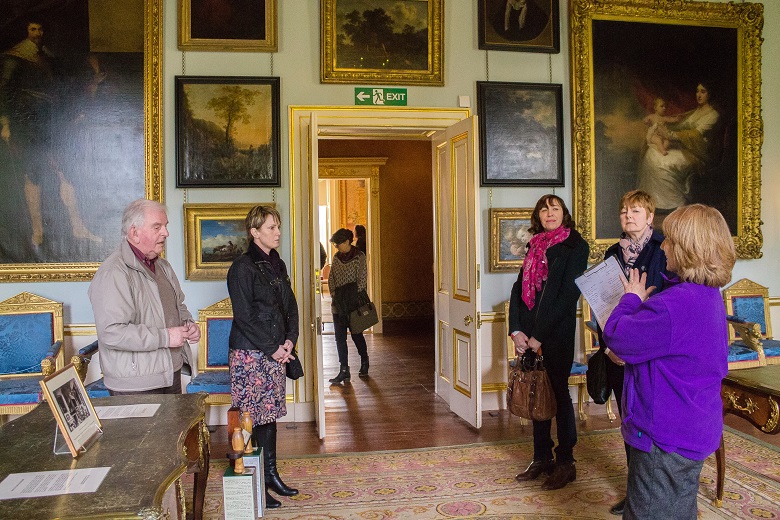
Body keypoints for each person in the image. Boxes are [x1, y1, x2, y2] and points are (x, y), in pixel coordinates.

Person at [602, 204, 735, 520]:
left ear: (688, 249)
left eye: (670, 240)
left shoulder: (677, 304)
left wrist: (631, 298)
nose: (662, 245)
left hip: (666, 436)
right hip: (693, 426)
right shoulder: (706, 294)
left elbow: (617, 335)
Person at [595, 190, 670, 516]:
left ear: (650, 216)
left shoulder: (664, 251)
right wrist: (611, 345)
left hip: (649, 355)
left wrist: (633, 345)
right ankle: (634, 490)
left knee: (650, 425)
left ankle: (658, 491)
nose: (628, 215)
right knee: (628, 425)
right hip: (614, 351)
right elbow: (603, 305)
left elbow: (665, 305)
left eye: (636, 210)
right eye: (624, 210)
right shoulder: (612, 253)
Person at [0, 19, 101, 259]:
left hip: (51, 121)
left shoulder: (48, 57)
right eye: (32, 29)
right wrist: (5, 122)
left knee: (64, 171)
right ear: (25, 32)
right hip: (26, 121)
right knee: (32, 173)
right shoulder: (15, 57)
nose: (37, 33)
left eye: (40, 29)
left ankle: (77, 226)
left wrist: (73, 113)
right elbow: (4, 89)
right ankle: (37, 231)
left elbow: (60, 89)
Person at [509, 194, 589, 491]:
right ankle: (541, 457)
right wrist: (516, 330)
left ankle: (565, 462)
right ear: (538, 216)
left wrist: (538, 337)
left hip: (555, 334)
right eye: (544, 209)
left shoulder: (575, 246)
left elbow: (568, 296)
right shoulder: (534, 245)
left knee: (558, 394)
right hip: (527, 336)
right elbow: (518, 289)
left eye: (555, 208)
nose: (549, 213)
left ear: (563, 213)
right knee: (535, 394)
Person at [227, 205, 299, 509]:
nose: (277, 232)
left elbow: (290, 306)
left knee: (268, 417)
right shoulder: (242, 268)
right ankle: (251, 482)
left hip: (276, 353)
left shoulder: (277, 265)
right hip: (249, 354)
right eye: (271, 227)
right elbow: (244, 317)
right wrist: (273, 348)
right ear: (254, 232)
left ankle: (271, 475)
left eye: (278, 226)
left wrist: (290, 341)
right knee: (249, 419)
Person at [88, 199, 200, 395]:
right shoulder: (113, 272)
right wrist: (166, 337)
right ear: (134, 232)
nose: (166, 233)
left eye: (165, 226)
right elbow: (112, 333)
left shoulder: (163, 266)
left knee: (174, 428)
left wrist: (188, 324)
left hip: (170, 373)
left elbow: (177, 306)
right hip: (135, 384)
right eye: (157, 227)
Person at [637, 82, 721, 214]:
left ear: (710, 94)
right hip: (684, 145)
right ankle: (655, 202)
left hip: (697, 152)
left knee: (663, 163)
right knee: (652, 155)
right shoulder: (697, 111)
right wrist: (663, 128)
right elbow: (682, 126)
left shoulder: (713, 115)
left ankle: (673, 203)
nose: (698, 95)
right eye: (697, 91)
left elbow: (695, 135)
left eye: (703, 91)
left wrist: (670, 134)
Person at [327, 228, 370, 383]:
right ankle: (344, 369)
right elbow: (331, 277)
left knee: (356, 333)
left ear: (347, 241)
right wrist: (334, 293)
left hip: (353, 303)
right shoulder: (337, 257)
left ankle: (364, 361)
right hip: (338, 303)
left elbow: (362, 280)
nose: (337, 247)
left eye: (339, 243)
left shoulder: (359, 256)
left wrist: (349, 295)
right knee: (339, 338)